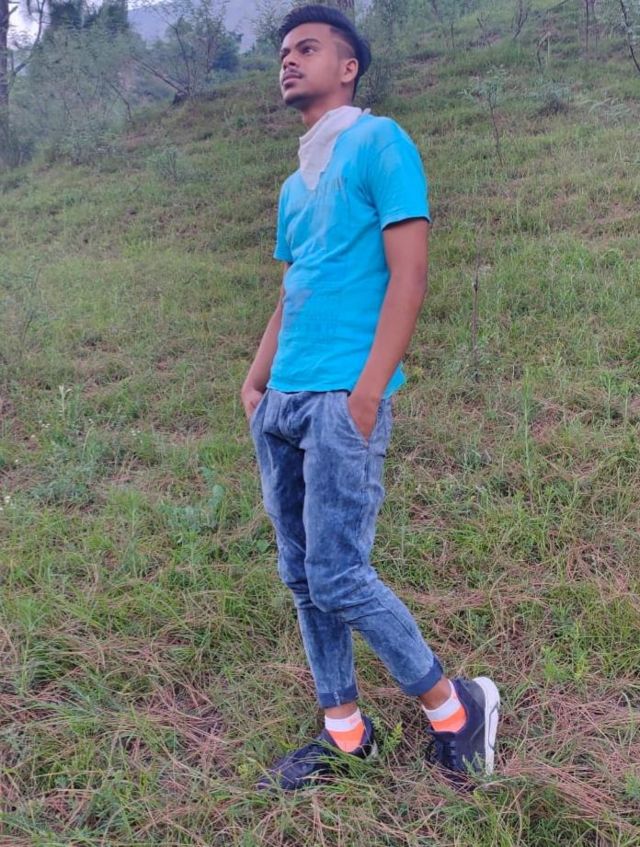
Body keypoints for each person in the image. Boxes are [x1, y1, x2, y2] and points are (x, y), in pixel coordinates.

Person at [240, 4, 499, 792]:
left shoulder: (381, 143)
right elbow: (295, 288)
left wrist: (366, 392)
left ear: (348, 67)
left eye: (308, 48)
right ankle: (346, 733)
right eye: (284, 52)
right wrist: (255, 380)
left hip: (342, 397)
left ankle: (457, 707)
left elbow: (409, 274)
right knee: (301, 574)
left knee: (339, 572)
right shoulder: (294, 185)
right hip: (283, 401)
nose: (289, 61)